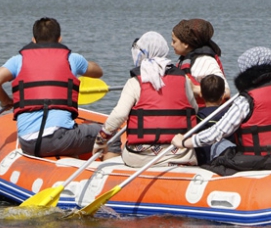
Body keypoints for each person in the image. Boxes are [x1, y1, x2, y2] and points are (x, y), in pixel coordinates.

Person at [171, 47, 271, 176]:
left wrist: (185, 141)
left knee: (220, 145)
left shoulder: (246, 99)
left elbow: (216, 133)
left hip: (259, 162)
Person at [0, 17, 120, 158]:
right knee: (111, 135)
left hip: (27, 143)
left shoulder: (18, 60)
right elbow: (98, 72)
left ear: (34, 40)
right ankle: (112, 175)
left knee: (71, 132)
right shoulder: (72, 59)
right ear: (59, 39)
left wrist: (5, 100)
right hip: (60, 139)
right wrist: (82, 64)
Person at [92, 31, 198, 168]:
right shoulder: (183, 79)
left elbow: (119, 115)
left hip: (141, 157)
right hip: (180, 154)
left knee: (122, 149)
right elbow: (194, 109)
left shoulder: (135, 81)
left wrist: (100, 141)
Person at [171, 18, 231, 105]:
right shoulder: (185, 59)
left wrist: (194, 88)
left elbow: (225, 91)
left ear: (186, 44)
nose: (171, 44)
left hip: (207, 115)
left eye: (174, 41)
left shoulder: (204, 60)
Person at [195, 75, 235, 165]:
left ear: (201, 94)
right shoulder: (231, 114)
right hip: (228, 158)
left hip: (204, 162)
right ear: (223, 95)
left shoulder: (197, 117)